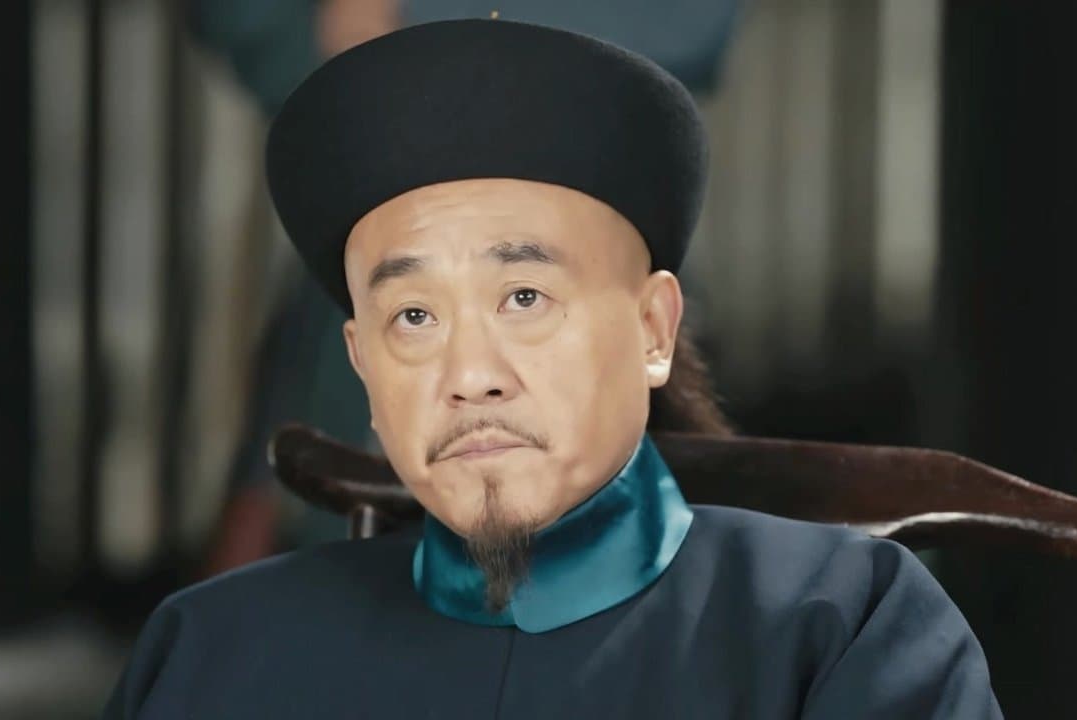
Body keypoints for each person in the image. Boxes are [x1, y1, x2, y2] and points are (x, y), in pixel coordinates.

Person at [104, 19, 1002, 718]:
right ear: (363, 368)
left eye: (525, 297)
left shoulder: (839, 627)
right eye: (413, 317)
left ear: (653, 330)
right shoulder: (215, 654)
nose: (471, 375)